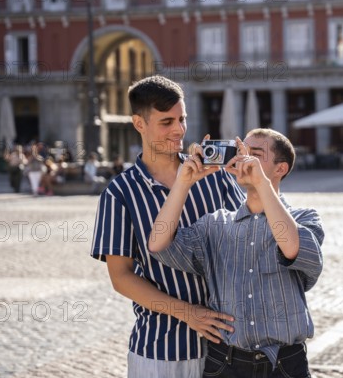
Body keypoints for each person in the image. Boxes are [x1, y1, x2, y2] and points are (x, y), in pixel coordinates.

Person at [90, 75, 246, 378]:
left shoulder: (216, 176)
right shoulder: (119, 193)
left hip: (229, 348)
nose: (179, 130)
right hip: (161, 353)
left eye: (182, 119)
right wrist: (188, 313)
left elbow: (254, 237)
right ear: (139, 124)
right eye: (166, 122)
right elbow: (121, 278)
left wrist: (254, 182)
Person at [148, 129, 324, 378]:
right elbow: (158, 244)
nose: (244, 159)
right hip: (225, 364)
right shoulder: (215, 224)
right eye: (241, 151)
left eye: (254, 154)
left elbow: (291, 246)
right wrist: (183, 182)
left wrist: (261, 183)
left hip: (285, 366)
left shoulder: (304, 219)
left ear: (280, 169)